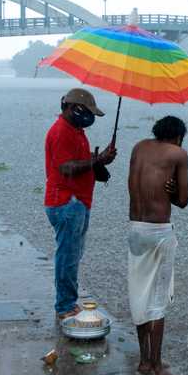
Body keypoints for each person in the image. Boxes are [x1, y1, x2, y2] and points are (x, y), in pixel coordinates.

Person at [126, 115, 188, 375]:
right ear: (178, 137)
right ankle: (157, 368)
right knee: (157, 301)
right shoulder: (178, 153)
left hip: (135, 229)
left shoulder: (139, 147)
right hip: (158, 233)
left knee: (140, 294)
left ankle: (143, 361)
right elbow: (183, 201)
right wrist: (175, 190)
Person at [44, 88, 116, 321]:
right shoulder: (62, 132)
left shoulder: (75, 130)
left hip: (77, 201)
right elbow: (66, 168)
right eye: (85, 111)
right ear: (70, 108)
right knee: (68, 255)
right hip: (66, 202)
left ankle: (68, 301)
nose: (88, 117)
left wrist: (99, 162)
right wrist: (96, 160)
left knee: (73, 254)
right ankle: (65, 305)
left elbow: (80, 163)